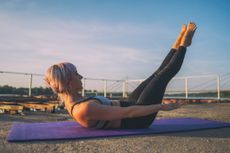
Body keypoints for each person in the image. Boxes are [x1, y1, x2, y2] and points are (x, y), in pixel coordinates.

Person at [45, 22, 197, 129]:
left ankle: (177, 44)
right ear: (69, 83)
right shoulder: (83, 109)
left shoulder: (72, 100)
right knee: (164, 75)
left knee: (157, 72)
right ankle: (184, 45)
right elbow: (128, 113)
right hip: (139, 118)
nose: (81, 76)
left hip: (131, 104)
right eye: (76, 74)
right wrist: (162, 106)